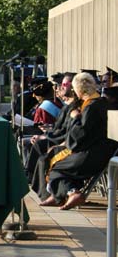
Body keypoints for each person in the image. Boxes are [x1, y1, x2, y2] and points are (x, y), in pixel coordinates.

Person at [40, 72, 115, 210]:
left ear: (80, 90)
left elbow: (78, 137)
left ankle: (70, 193)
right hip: (102, 152)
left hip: (91, 155)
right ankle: (63, 194)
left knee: (55, 167)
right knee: (57, 163)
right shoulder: (102, 103)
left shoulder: (91, 107)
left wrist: (75, 118)